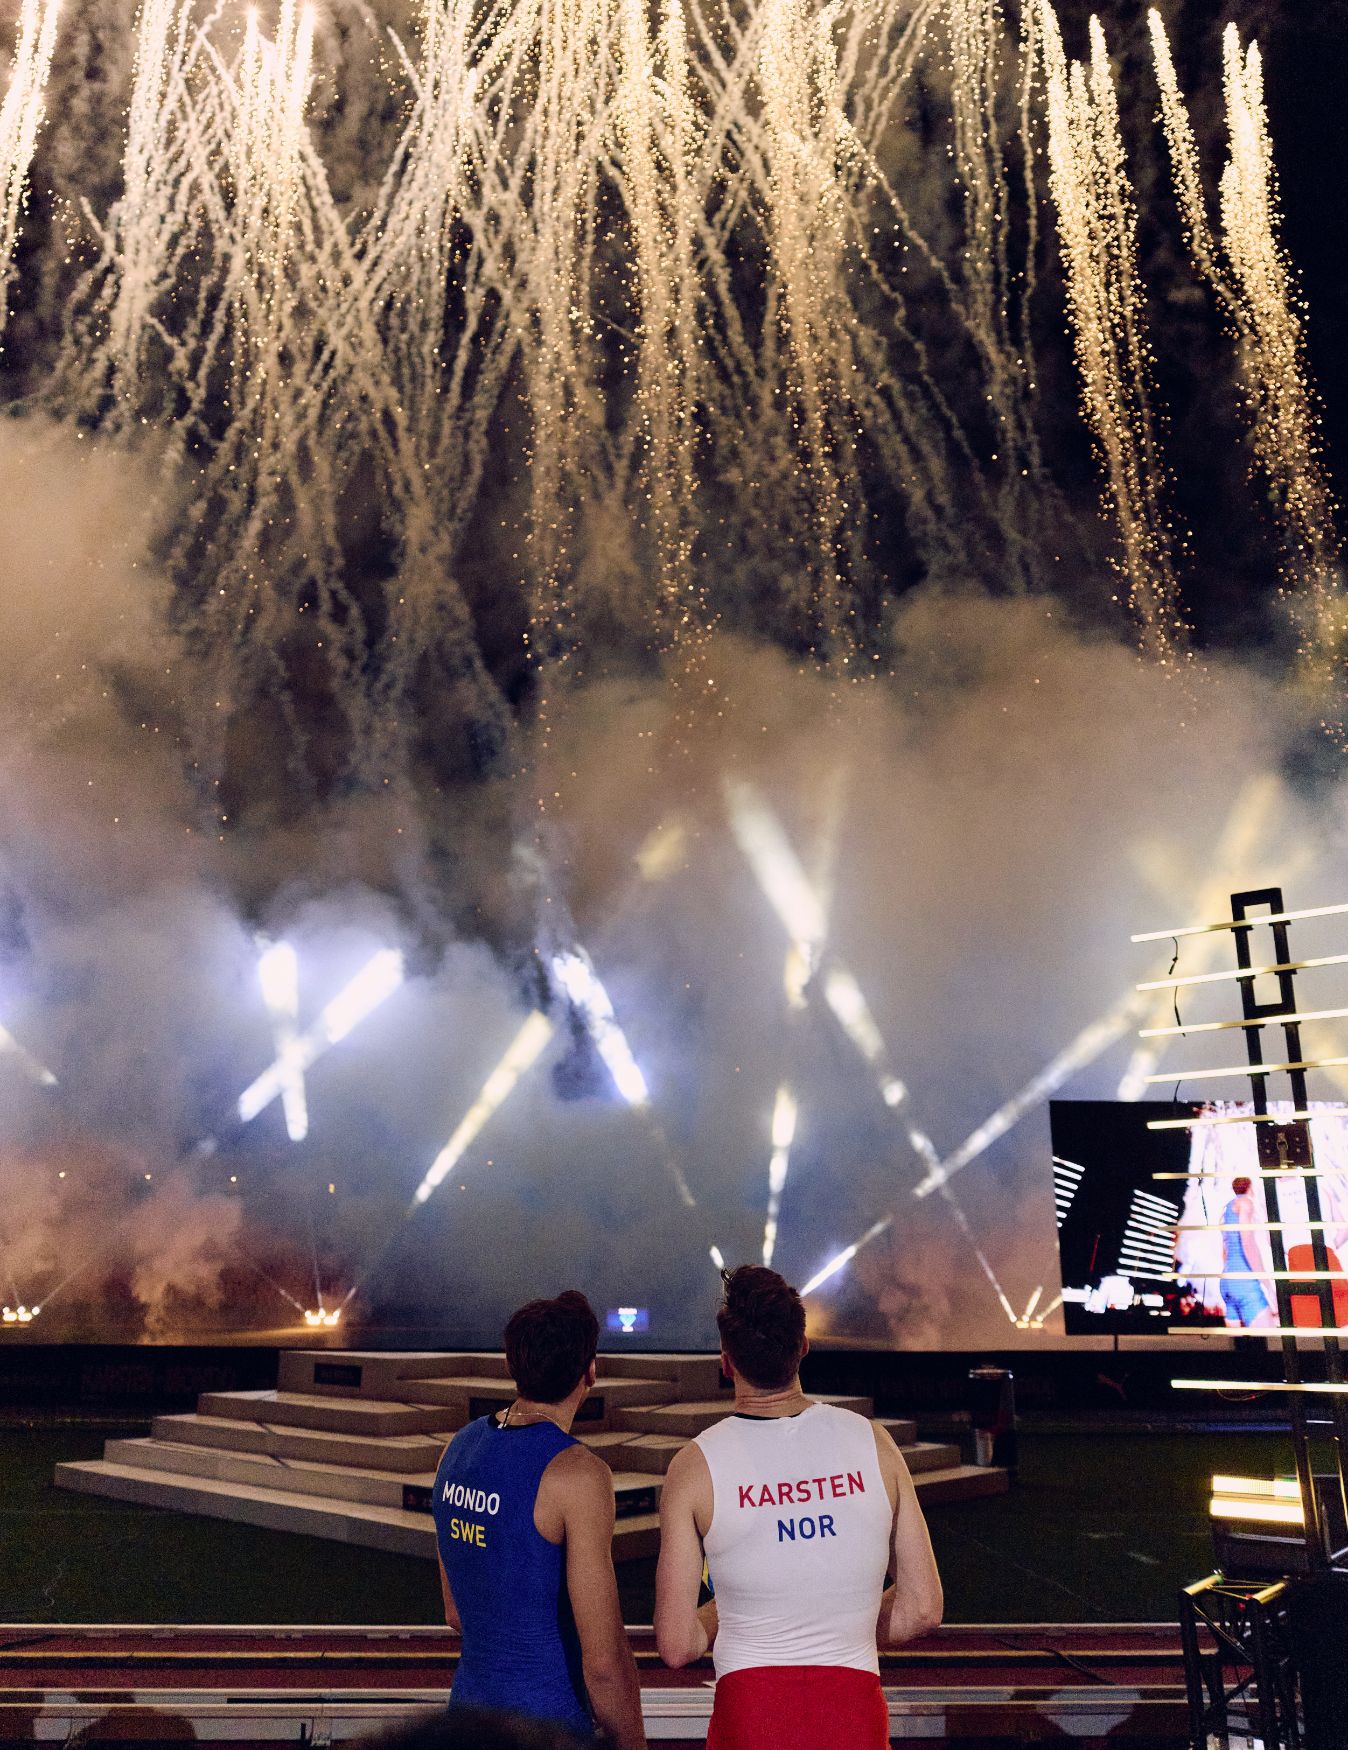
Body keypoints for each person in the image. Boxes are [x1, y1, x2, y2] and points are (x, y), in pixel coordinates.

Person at [654, 1265, 943, 1750]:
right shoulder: (873, 1443)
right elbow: (922, 1610)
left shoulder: (695, 1466)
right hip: (854, 1721)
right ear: (803, 1348)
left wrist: (738, 1611)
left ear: (727, 1362)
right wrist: (833, 1619)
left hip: (750, 1724)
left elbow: (678, 1644)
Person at [432, 1290, 647, 1750]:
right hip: (547, 1731)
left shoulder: (456, 1450)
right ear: (591, 1371)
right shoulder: (578, 1475)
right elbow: (604, 1664)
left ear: (512, 1366)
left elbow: (456, 1613)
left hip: (465, 1724)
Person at [1220, 1175, 1277, 1329]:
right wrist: (1267, 1284)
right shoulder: (1245, 1203)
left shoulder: (1226, 1210)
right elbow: (1248, 1244)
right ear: (1250, 1188)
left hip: (1227, 1280)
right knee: (1269, 1343)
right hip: (1244, 1279)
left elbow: (1224, 1251)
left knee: (1238, 1350)